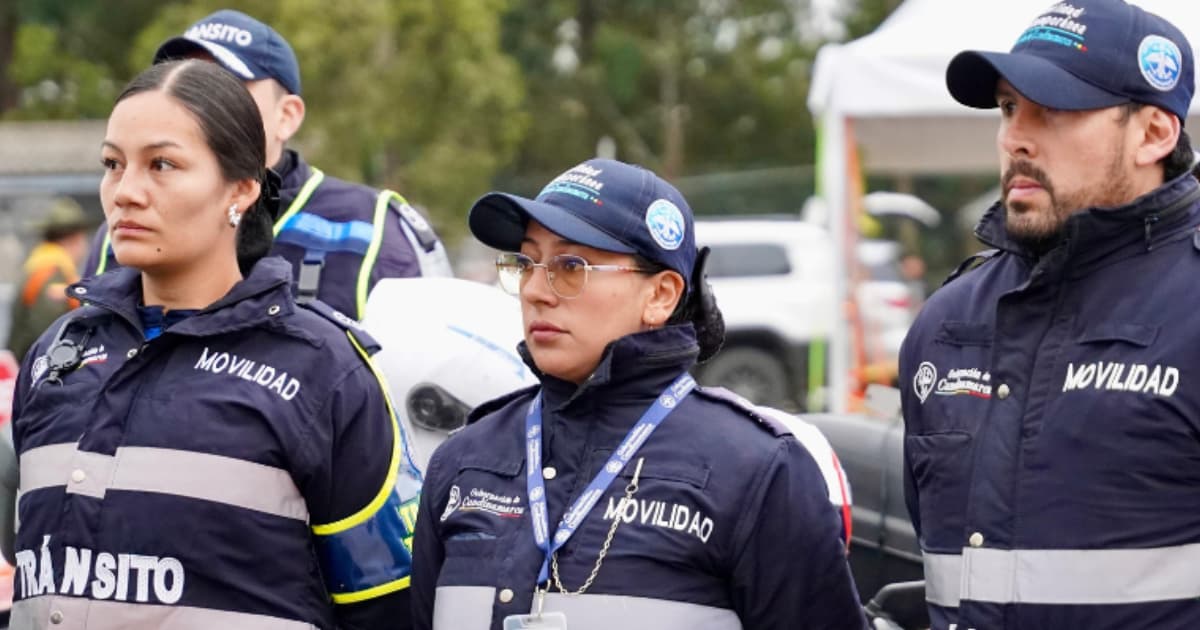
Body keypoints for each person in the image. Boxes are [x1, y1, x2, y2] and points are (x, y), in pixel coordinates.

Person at [9, 59, 420, 629]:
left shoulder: (324, 370)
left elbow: (386, 607)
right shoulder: (58, 355)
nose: (125, 192)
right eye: (112, 164)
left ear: (243, 189)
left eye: (162, 164)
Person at [411, 158, 867, 630]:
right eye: (526, 262)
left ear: (661, 296)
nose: (534, 290)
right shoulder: (463, 460)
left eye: (570, 266)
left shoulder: (758, 470)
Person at [898, 1, 1200, 628]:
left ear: (1153, 133)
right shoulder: (946, 324)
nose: (1015, 137)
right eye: (1008, 108)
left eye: (1053, 109)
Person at [83, 8, 451, 320]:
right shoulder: (125, 228)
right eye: (185, 85)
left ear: (287, 115)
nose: (192, 105)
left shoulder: (375, 230)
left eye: (224, 87)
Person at [6, 199, 90, 361]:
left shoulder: (40, 263)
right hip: (37, 368)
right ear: (75, 238)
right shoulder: (51, 272)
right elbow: (48, 333)